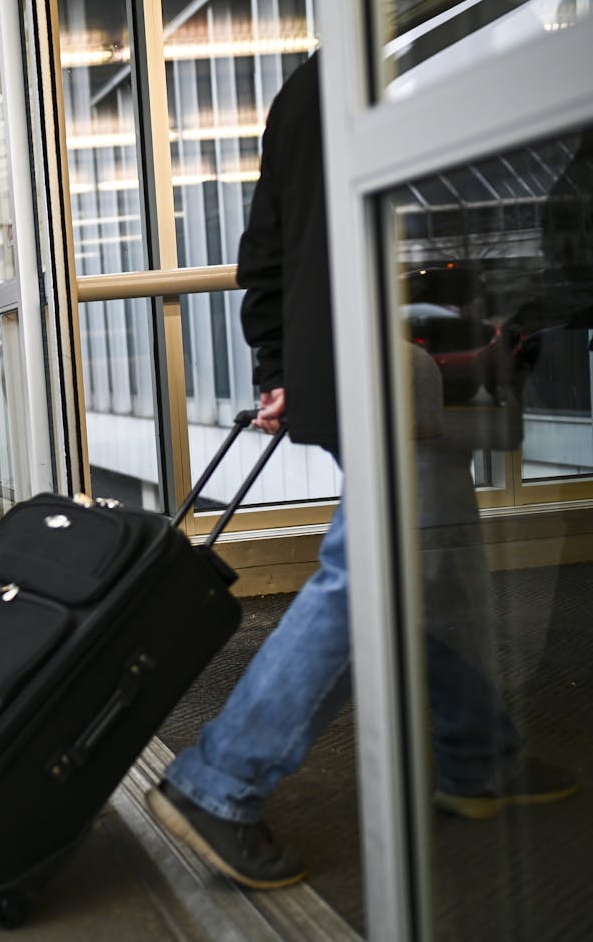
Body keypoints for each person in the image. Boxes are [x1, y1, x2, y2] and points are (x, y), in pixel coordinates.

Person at [144, 53, 576, 890]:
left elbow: (264, 242)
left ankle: (479, 750)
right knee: (375, 572)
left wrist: (280, 362)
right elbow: (492, 227)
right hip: (408, 373)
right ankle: (220, 781)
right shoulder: (434, 58)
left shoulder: (318, 76)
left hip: (372, 367)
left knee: (428, 568)